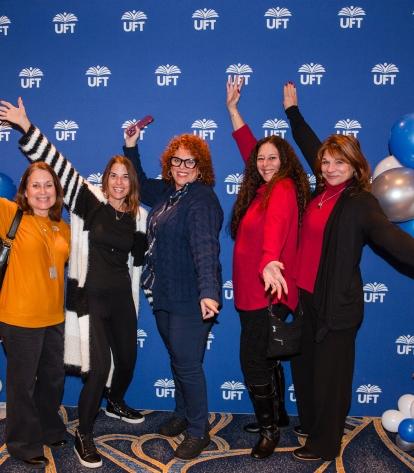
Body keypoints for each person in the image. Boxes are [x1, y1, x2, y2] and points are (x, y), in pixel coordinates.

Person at [0, 98, 147, 469]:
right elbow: (60, 165)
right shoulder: (84, 205)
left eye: (124, 176)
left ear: (131, 183)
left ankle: (76, 417)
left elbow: (142, 260)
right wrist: (26, 127)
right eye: (112, 175)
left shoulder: (126, 219)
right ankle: (56, 438)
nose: (117, 181)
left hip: (90, 309)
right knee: (78, 373)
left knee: (103, 367)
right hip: (60, 307)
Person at [282, 83, 414, 462]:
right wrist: (293, 111)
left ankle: (324, 446)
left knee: (331, 381)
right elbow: (311, 148)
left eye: (340, 162)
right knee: (305, 371)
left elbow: (392, 240)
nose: (330, 167)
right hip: (307, 299)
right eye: (326, 162)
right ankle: (311, 427)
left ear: (356, 166)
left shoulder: (360, 202)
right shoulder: (322, 192)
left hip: (336, 308)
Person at [123, 128, 223, 460]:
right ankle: (183, 413)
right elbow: (137, 179)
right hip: (165, 295)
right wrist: (131, 146)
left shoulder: (200, 198)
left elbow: (205, 248)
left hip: (191, 297)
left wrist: (208, 292)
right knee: (179, 361)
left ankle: (198, 431)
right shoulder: (170, 193)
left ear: (200, 166)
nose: (182, 167)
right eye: (176, 160)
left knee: (188, 364)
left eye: (189, 162)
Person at [226, 77, 310, 459]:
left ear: (286, 161)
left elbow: (275, 227)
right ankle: (276, 413)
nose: (264, 163)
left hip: (267, 285)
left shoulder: (284, 189)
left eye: (272, 158)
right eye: (261, 159)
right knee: (267, 353)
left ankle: (269, 430)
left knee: (254, 360)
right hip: (249, 289)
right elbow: (251, 149)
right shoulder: (262, 184)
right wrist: (233, 111)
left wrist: (269, 261)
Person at [0, 162, 69, 469]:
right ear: (25, 192)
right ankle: (22, 444)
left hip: (54, 317)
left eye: (48, 185)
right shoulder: (9, 215)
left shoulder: (62, 227)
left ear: (57, 190)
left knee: (52, 380)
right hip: (19, 317)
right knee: (22, 384)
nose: (43, 191)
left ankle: (48, 428)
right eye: (36, 185)